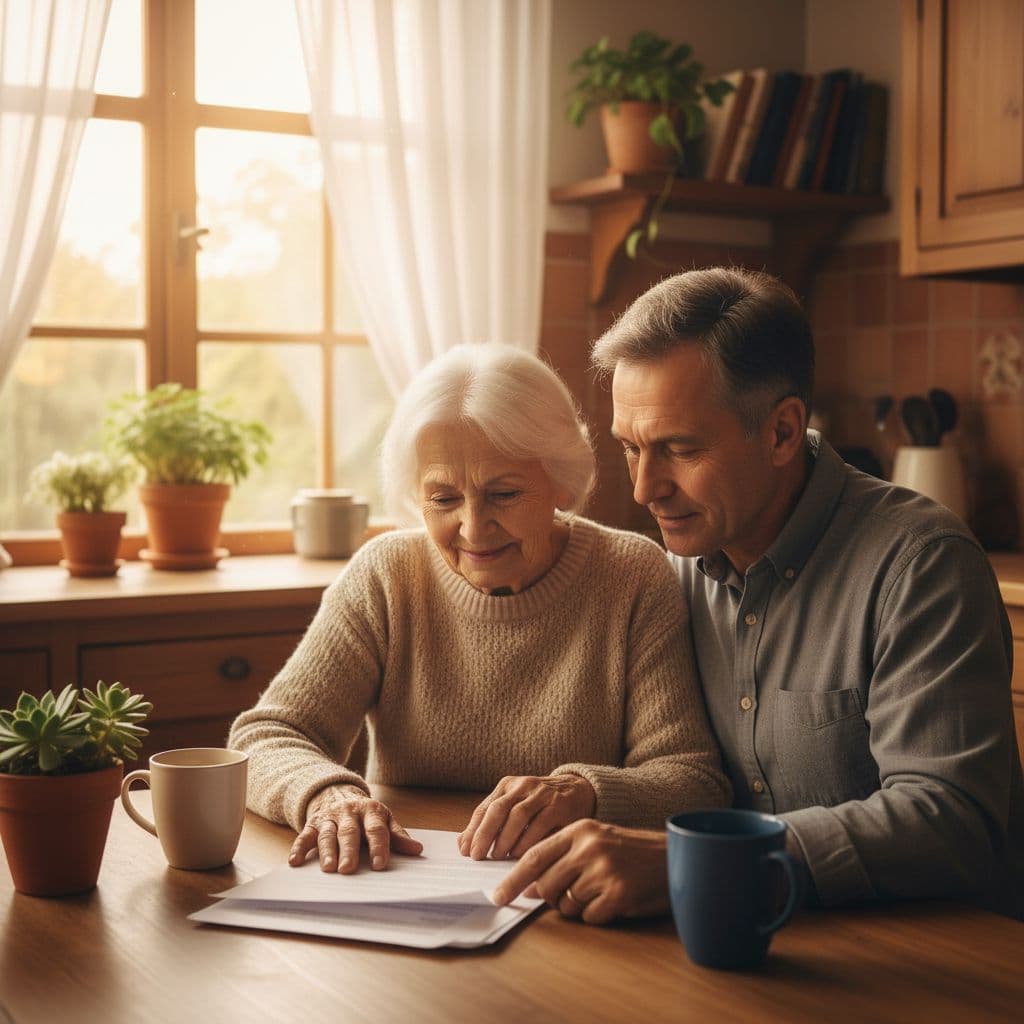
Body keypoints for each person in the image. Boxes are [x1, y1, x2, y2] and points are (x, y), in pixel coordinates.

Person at [494, 266, 1024, 924]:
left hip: (940, 964)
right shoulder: (670, 574)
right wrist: (586, 792)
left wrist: (702, 866)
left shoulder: (921, 567)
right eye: (631, 449)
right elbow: (681, 770)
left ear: (780, 431)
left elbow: (950, 821)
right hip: (755, 944)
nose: (644, 489)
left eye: (678, 449)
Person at [229, 343, 730, 876]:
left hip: (560, 892)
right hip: (401, 883)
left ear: (560, 479)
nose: (472, 527)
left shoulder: (631, 576)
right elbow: (264, 737)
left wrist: (584, 791)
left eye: (504, 493)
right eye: (443, 499)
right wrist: (328, 796)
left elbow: (692, 780)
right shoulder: (387, 575)